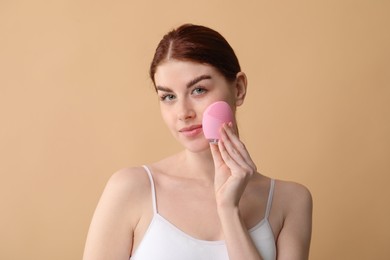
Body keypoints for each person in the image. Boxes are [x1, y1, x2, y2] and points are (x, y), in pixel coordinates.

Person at [83, 24, 312, 260]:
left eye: (199, 90)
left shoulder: (290, 201)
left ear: (239, 89)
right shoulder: (131, 189)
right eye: (168, 97)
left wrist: (229, 210)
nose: (183, 112)